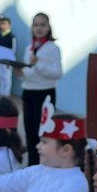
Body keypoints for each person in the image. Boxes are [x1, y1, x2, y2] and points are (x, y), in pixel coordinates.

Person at [20, 13, 62, 166]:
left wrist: (38, 64)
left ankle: (44, 166)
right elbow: (30, 72)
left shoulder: (53, 48)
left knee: (43, 134)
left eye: (42, 25)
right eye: (36, 25)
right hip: (28, 92)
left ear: (49, 27)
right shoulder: (29, 48)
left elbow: (57, 73)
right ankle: (32, 167)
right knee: (29, 134)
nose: (39, 28)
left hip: (45, 94)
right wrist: (21, 72)